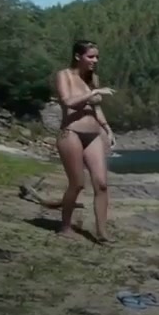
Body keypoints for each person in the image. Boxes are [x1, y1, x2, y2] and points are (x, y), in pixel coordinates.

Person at [54, 40, 117, 243]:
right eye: (91, 56)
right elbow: (68, 102)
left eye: (97, 57)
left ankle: (102, 232)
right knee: (77, 184)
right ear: (77, 56)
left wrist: (107, 129)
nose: (95, 60)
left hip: (94, 134)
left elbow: (96, 109)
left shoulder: (93, 78)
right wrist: (94, 92)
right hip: (71, 133)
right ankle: (65, 227)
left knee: (102, 184)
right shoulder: (64, 75)